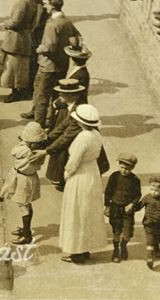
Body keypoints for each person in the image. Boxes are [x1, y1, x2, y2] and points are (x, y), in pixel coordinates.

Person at [52, 104, 107, 263]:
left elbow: (73, 161)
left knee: (77, 212)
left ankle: (77, 251)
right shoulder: (96, 134)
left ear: (81, 123)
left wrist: (67, 174)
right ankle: (85, 248)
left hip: (80, 175)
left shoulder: (83, 137)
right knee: (88, 211)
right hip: (92, 173)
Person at [24, 0, 79, 126]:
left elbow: (49, 47)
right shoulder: (67, 21)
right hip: (62, 64)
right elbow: (76, 38)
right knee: (55, 96)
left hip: (47, 66)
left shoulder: (52, 25)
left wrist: (38, 49)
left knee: (41, 96)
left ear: (52, 6)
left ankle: (38, 126)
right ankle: (53, 123)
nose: (45, 6)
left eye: (46, 4)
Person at [0, 122, 47, 245]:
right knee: (26, 205)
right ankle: (26, 229)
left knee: (23, 206)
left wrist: (23, 142)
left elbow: (14, 151)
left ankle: (27, 235)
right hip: (28, 178)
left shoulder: (24, 150)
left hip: (23, 180)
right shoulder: (38, 152)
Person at [104, 152, 141, 263]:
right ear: (119, 165)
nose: (124, 170)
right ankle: (116, 251)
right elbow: (108, 192)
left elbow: (138, 195)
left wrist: (132, 204)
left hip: (127, 210)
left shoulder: (135, 180)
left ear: (132, 168)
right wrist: (107, 206)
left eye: (127, 168)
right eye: (122, 167)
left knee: (128, 233)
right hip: (115, 208)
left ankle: (123, 245)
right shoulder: (114, 176)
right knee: (116, 231)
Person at [135, 176, 160, 269]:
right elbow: (139, 206)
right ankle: (149, 258)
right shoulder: (147, 197)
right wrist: (132, 207)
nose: (154, 192)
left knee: (158, 238)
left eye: (156, 190)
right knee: (150, 240)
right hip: (148, 222)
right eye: (152, 189)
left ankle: (156, 248)